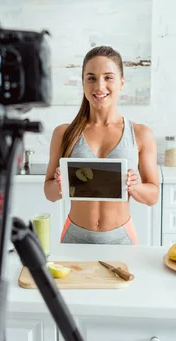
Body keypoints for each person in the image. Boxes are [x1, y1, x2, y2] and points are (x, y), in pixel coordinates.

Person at [44, 45, 159, 245]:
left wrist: (136, 186)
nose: (99, 86)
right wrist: (59, 185)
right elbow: (49, 193)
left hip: (121, 238)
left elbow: (153, 197)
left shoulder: (141, 134)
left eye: (108, 77)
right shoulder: (64, 133)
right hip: (74, 236)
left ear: (122, 82)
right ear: (83, 83)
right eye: (91, 78)